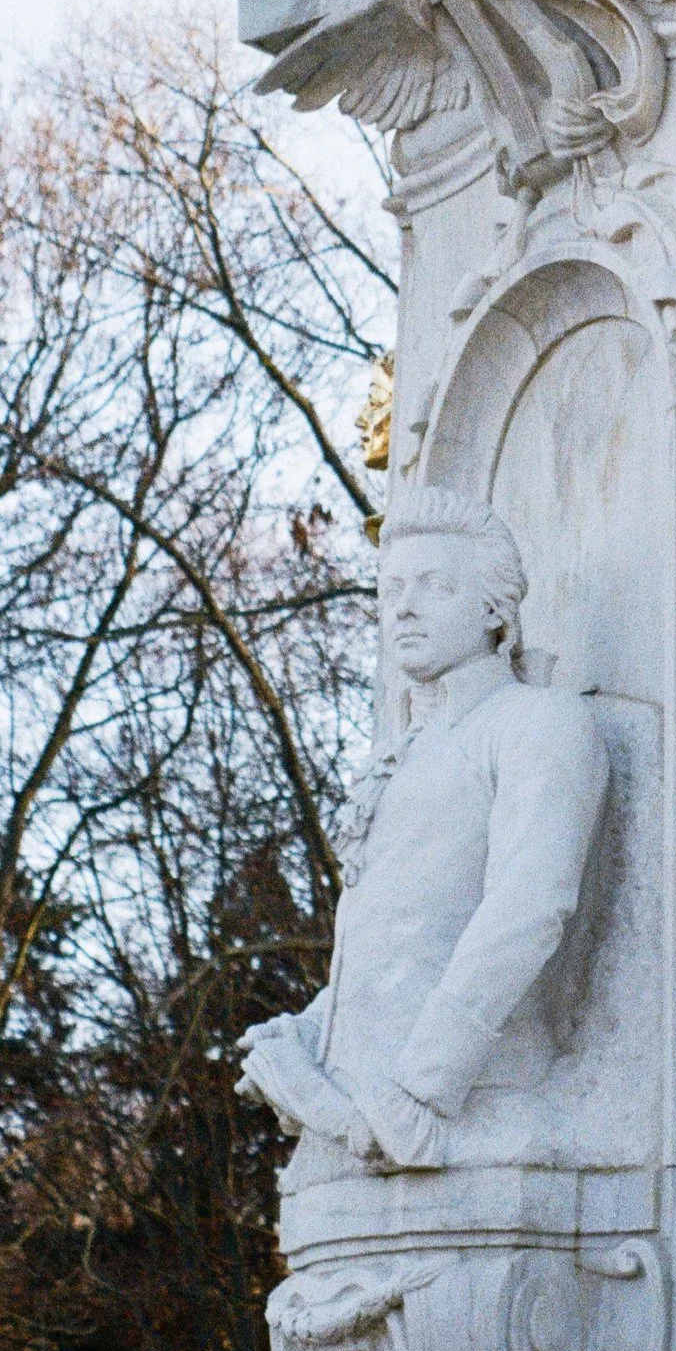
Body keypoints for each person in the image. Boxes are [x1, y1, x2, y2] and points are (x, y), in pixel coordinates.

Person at [238, 489, 609, 1172]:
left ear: (495, 608)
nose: (403, 606)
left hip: (466, 1108)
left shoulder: (536, 722)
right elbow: (400, 946)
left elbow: (527, 907)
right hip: (360, 1121)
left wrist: (423, 1087)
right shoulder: (404, 749)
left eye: (434, 585)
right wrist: (307, 1037)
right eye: (392, 588)